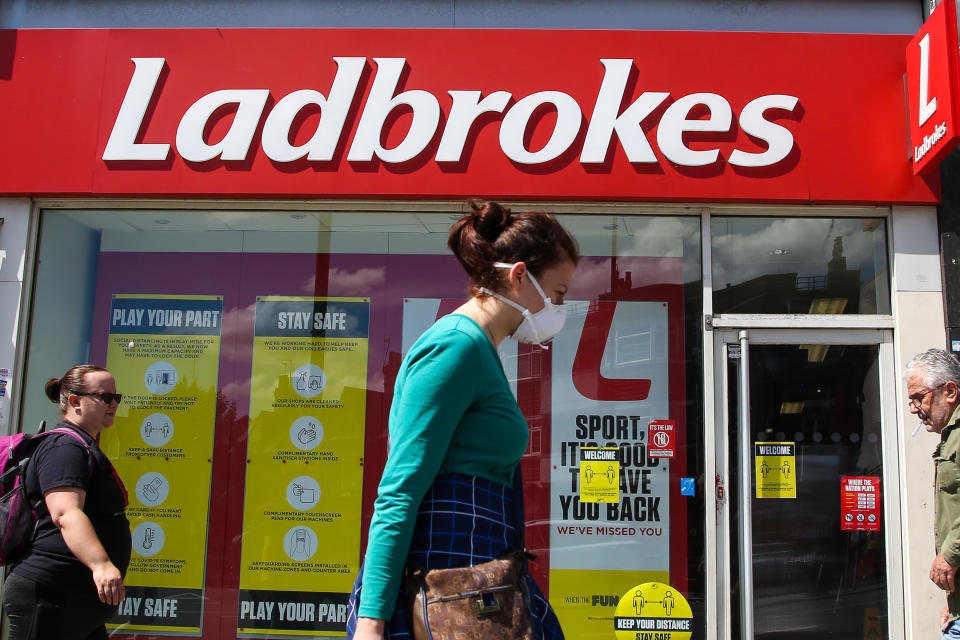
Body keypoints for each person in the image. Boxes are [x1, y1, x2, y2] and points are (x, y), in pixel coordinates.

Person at [347, 200, 578, 639]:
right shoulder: (456, 347)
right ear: (519, 276)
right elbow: (400, 489)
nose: (560, 307)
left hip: (473, 583)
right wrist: (371, 622)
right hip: (444, 590)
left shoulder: (477, 349)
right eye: (559, 293)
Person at [2, 364, 131, 640]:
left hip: (76, 598)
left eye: (116, 398)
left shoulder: (84, 445)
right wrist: (101, 564)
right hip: (51, 592)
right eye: (105, 397)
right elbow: (65, 513)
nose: (113, 404)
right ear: (75, 401)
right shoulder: (64, 447)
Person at [905, 348, 960, 638]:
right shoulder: (950, 436)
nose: (914, 408)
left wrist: (949, 555)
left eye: (919, 397)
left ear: (949, 391)